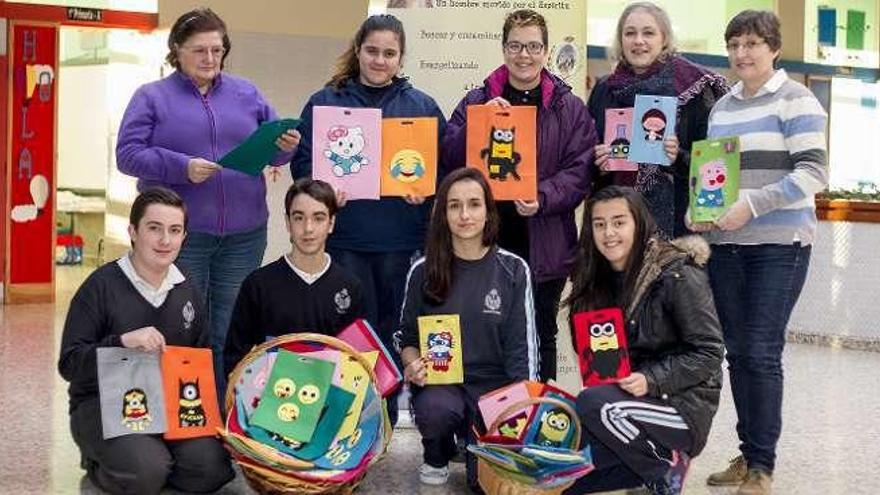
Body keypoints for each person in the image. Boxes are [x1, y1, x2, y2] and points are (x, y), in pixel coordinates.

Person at [116, 8, 300, 388]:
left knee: (230, 327)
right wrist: (181, 167)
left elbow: (272, 148)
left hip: (244, 233)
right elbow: (128, 154)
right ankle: (182, 412)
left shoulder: (247, 93)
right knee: (183, 326)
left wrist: (285, 147)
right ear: (177, 50)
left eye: (217, 50)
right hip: (182, 235)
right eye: (200, 50)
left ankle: (221, 413)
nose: (210, 59)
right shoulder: (151, 97)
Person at [691, 11, 828, 495]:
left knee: (761, 353)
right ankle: (748, 455)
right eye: (734, 45)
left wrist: (751, 206)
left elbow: (814, 173)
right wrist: (701, 212)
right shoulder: (723, 107)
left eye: (752, 43)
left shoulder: (798, 99)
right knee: (738, 355)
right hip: (727, 245)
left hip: (779, 245)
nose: (742, 53)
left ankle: (762, 468)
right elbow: (715, 176)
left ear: (773, 48)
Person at [291, 13, 446, 425]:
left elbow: (443, 171)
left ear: (401, 58)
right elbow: (302, 166)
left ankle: (386, 422)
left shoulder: (423, 107)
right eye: (372, 51)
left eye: (389, 54)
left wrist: (426, 192)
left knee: (392, 331)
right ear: (358, 50)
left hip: (400, 240)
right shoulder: (326, 102)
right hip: (345, 241)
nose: (380, 60)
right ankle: (342, 421)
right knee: (346, 332)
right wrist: (325, 192)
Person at [443, 9, 596, 382]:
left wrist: (541, 197)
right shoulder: (477, 99)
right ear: (503, 48)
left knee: (542, 331)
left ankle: (541, 422)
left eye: (532, 46)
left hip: (544, 239)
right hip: (484, 238)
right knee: (481, 330)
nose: (523, 55)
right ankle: (486, 419)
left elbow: (580, 170)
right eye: (515, 45)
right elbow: (447, 156)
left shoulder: (568, 107)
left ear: (546, 51)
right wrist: (478, 123)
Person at [58, 188, 234, 495]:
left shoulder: (187, 287)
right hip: (104, 404)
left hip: (171, 404)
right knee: (145, 471)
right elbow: (70, 364)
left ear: (184, 236)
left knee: (214, 468)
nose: (165, 240)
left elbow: (200, 359)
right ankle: (105, 464)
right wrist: (121, 343)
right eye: (154, 228)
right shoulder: (100, 286)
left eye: (174, 230)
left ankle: (148, 460)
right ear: (133, 232)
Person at [562, 186, 724, 495]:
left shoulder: (677, 273)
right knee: (567, 479)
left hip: (680, 406)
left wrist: (651, 379)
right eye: (599, 224)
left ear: (639, 223)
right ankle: (647, 464)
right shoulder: (596, 279)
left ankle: (665, 469)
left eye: (619, 222)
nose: (609, 233)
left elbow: (709, 352)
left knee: (594, 404)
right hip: (627, 403)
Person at [396, 168, 538, 489]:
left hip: (495, 388)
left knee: (482, 485)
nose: (464, 215)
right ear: (442, 214)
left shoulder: (514, 269)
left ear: (488, 211)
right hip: (443, 386)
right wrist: (412, 364)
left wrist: (521, 409)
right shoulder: (423, 270)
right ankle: (437, 453)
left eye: (474, 204)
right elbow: (407, 338)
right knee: (435, 411)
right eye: (454, 205)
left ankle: (478, 446)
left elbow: (523, 351)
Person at [588, 1, 727, 238]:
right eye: (630, 33)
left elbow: (717, 163)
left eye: (648, 33)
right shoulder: (605, 89)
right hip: (614, 227)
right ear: (621, 40)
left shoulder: (694, 87)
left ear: (664, 39)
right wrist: (597, 161)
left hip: (678, 227)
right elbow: (583, 154)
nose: (638, 40)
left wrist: (677, 157)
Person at [224, 179, 365, 374]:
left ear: (331, 223)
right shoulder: (258, 284)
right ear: (287, 222)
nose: (308, 228)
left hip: (333, 399)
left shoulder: (350, 287)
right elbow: (235, 358)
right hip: (270, 398)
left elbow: (359, 359)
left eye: (318, 218)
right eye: (299, 218)